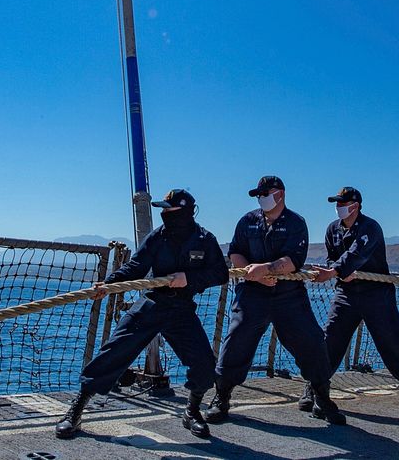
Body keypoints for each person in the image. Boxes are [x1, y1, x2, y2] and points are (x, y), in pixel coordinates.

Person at [55, 189, 229, 440]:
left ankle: (191, 411)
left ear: (185, 211)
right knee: (113, 351)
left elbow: (220, 273)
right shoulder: (158, 237)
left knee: (204, 366)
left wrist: (189, 279)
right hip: (153, 303)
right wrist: (108, 284)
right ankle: (76, 410)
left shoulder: (205, 239)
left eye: (169, 209)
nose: (164, 213)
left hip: (181, 309)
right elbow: (136, 266)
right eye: (163, 209)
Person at [205, 175, 346, 425]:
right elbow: (236, 251)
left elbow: (294, 259)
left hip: (288, 295)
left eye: (264, 193)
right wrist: (255, 275)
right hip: (252, 293)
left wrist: (268, 269)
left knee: (312, 342)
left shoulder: (295, 223)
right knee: (236, 340)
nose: (261, 198)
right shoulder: (247, 221)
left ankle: (322, 397)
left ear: (279, 194)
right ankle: (221, 396)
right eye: (258, 195)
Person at [308, 187, 399, 422]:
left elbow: (358, 252)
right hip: (346, 293)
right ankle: (316, 389)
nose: (338, 207)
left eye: (343, 203)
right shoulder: (333, 229)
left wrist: (339, 270)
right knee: (330, 340)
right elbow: (332, 256)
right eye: (337, 203)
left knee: (392, 343)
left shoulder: (370, 227)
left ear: (356, 205)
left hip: (376, 294)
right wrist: (339, 271)